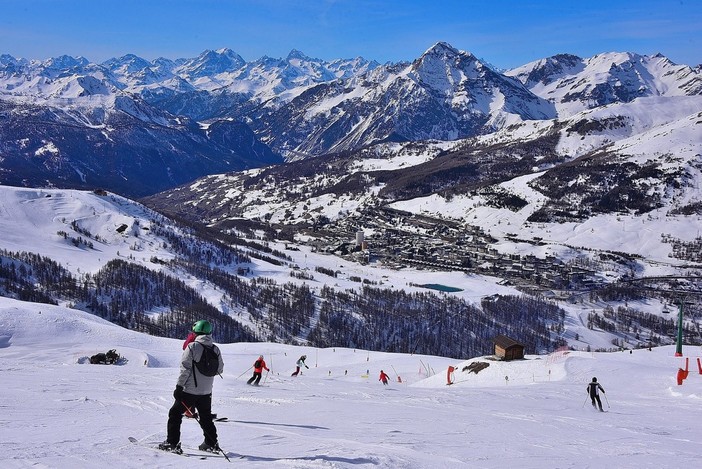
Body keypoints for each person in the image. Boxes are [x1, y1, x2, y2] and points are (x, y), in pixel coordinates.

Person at [159, 320, 224, 454]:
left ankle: (172, 443)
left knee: (175, 414)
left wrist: (179, 387)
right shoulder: (215, 349)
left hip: (190, 390)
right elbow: (220, 369)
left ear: (196, 332)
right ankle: (211, 443)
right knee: (205, 417)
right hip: (207, 391)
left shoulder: (192, 347)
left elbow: (185, 369)